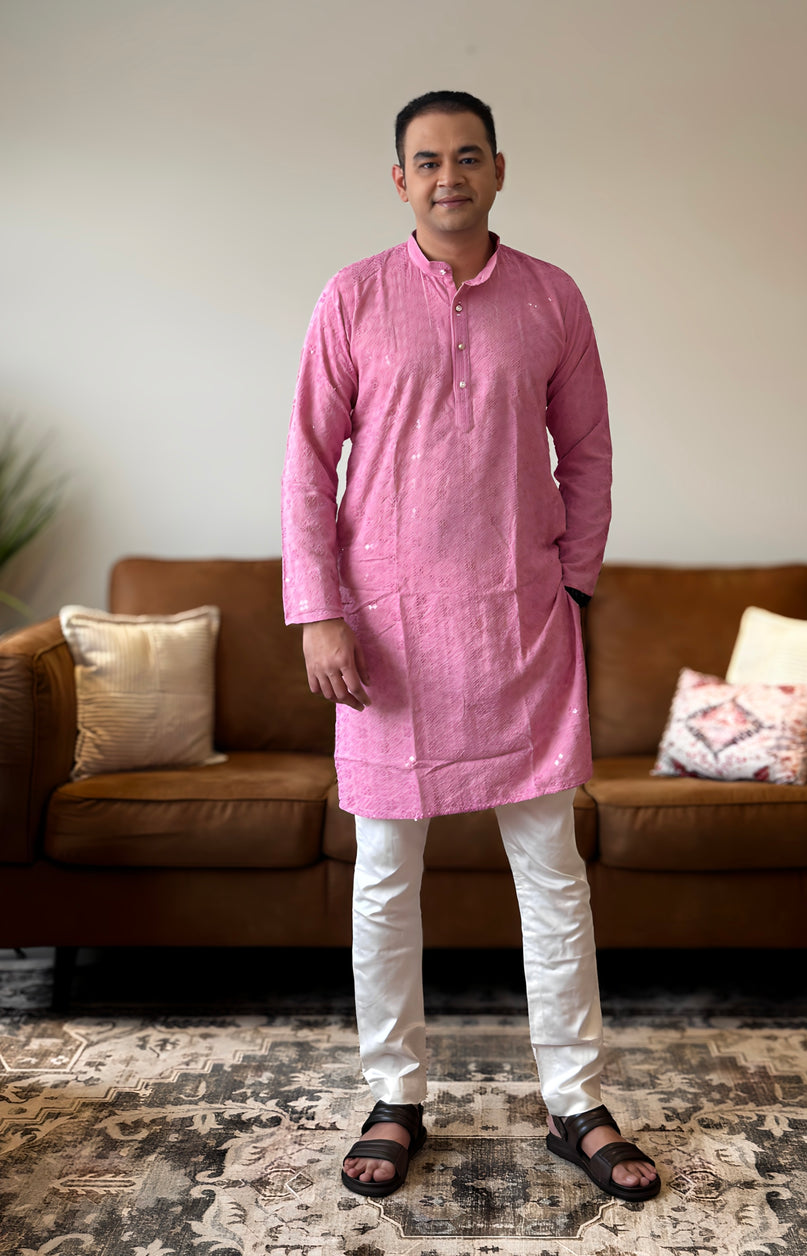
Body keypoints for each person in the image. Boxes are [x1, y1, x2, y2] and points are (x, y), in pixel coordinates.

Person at [281, 90, 660, 1204]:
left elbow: (586, 453)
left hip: (517, 628)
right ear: (398, 180)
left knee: (551, 872)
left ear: (499, 169)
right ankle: (396, 1093)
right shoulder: (351, 298)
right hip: (386, 638)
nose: (448, 175)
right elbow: (308, 462)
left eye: (467, 156)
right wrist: (318, 608)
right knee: (386, 877)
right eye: (425, 160)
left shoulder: (550, 297)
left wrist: (570, 584)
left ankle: (575, 1099)